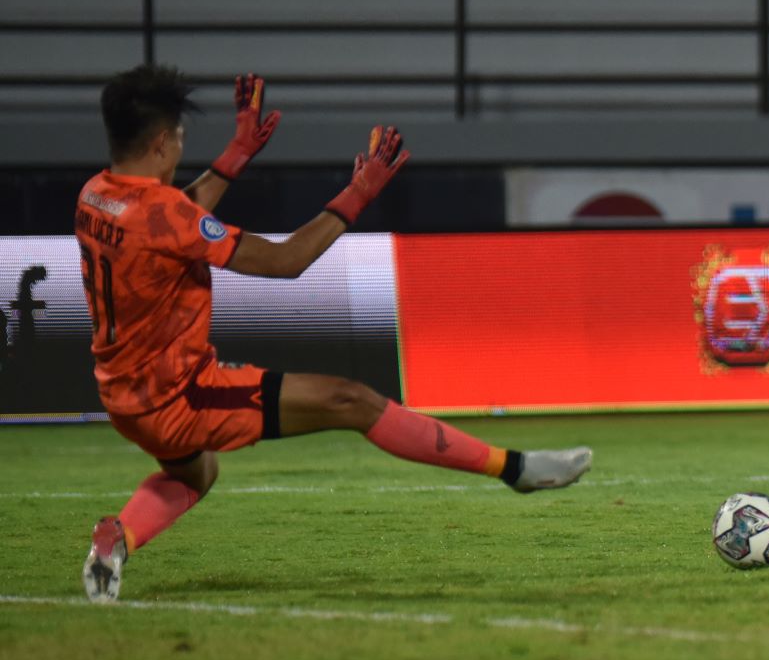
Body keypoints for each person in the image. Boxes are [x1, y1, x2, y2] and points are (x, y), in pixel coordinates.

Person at [77, 65, 593, 603]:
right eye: (180, 137)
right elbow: (286, 260)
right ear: (162, 142)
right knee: (353, 401)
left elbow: (173, 217)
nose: (182, 147)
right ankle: (517, 469)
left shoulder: (95, 195)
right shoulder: (165, 213)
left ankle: (116, 539)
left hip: (122, 396)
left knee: (196, 474)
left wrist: (236, 154)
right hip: (180, 395)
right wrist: (358, 194)